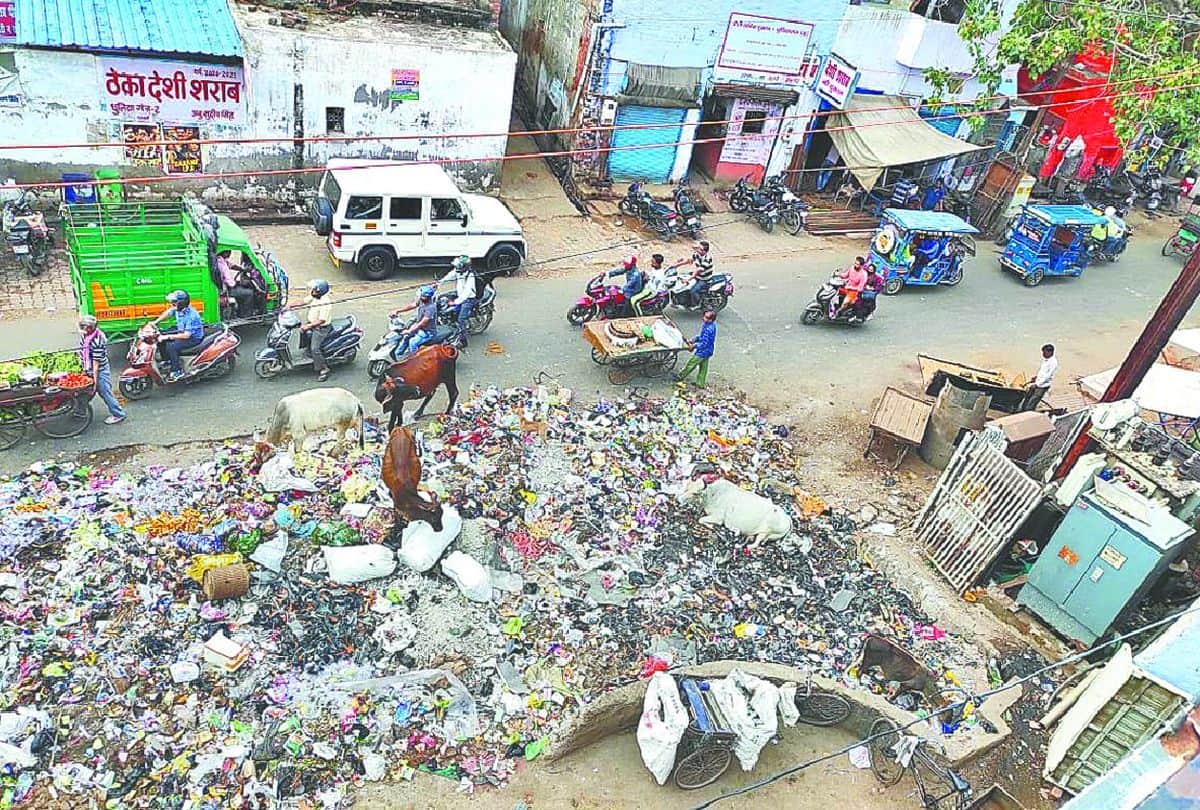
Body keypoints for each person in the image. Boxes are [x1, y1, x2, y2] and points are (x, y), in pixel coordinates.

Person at [79, 315, 126, 425]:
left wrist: (95, 380)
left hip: (99, 369)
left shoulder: (97, 340)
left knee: (105, 392)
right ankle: (80, 411)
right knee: (84, 392)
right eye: (83, 326)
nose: (84, 329)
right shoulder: (86, 335)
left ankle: (118, 414)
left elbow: (96, 364)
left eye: (86, 327)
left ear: (92, 327)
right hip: (89, 367)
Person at [153, 290, 204, 382]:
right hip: (182, 330)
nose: (172, 304)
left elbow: (186, 335)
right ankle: (167, 361)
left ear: (181, 303)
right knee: (160, 337)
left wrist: (168, 337)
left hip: (193, 338)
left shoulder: (192, 316)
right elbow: (168, 313)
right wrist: (155, 322)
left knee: (171, 347)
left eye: (174, 302)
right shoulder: (178, 309)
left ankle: (177, 371)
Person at [297, 278, 334, 381]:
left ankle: (324, 368)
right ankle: (307, 350)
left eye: (314, 290)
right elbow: (303, 301)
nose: (312, 291)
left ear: (320, 291)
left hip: (320, 328)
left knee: (315, 349)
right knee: (302, 331)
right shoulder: (315, 296)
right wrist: (289, 306)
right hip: (312, 324)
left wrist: (308, 326)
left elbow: (322, 320)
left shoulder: (325, 303)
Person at [438, 255, 477, 346]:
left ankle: (463, 340)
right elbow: (450, 275)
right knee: (443, 298)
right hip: (459, 293)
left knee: (461, 319)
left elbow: (466, 293)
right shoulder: (458, 272)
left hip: (468, 299)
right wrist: (439, 282)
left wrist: (455, 302)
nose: (456, 268)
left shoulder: (470, 276)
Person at [391, 284, 438, 357]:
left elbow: (422, 323)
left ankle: (415, 360)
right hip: (419, 327)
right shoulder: (422, 301)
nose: (420, 297)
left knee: (413, 343)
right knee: (406, 337)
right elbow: (412, 306)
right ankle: (398, 354)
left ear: (426, 297)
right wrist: (398, 311)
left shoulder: (430, 307)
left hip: (427, 331)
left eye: (422, 296)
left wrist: (410, 331)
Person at [676, 310, 717, 388]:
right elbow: (701, 337)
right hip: (709, 350)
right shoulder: (709, 325)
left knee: (691, 364)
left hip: (703, 351)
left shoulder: (709, 330)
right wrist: (693, 340)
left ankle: (680, 376)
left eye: (706, 317)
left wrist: (694, 346)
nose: (703, 318)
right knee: (703, 367)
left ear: (710, 320)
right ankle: (700, 384)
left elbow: (704, 344)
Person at [216, 250, 254, 318]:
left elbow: (231, 265)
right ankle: (246, 316)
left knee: (241, 288)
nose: (230, 254)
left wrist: (242, 269)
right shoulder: (222, 266)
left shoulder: (220, 260)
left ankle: (240, 310)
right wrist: (238, 283)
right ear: (225, 253)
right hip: (226, 290)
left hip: (225, 287)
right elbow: (229, 282)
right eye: (229, 252)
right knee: (249, 293)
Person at [1021, 344, 1058, 412]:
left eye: (1044, 352)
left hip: (1042, 386)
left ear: (1050, 352)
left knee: (1032, 402)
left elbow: (1048, 376)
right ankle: (1022, 411)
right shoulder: (1046, 360)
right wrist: (1036, 377)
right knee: (1027, 398)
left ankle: (1028, 414)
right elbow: (1043, 373)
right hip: (1037, 383)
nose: (1043, 354)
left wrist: (1037, 384)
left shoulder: (1053, 363)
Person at [679, 241, 714, 309]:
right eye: (698, 248)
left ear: (704, 251)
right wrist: (677, 265)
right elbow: (689, 260)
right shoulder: (697, 254)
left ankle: (697, 304)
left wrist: (688, 279)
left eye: (700, 249)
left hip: (704, 279)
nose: (698, 250)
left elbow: (698, 271)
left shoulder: (707, 259)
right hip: (697, 275)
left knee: (693, 291)